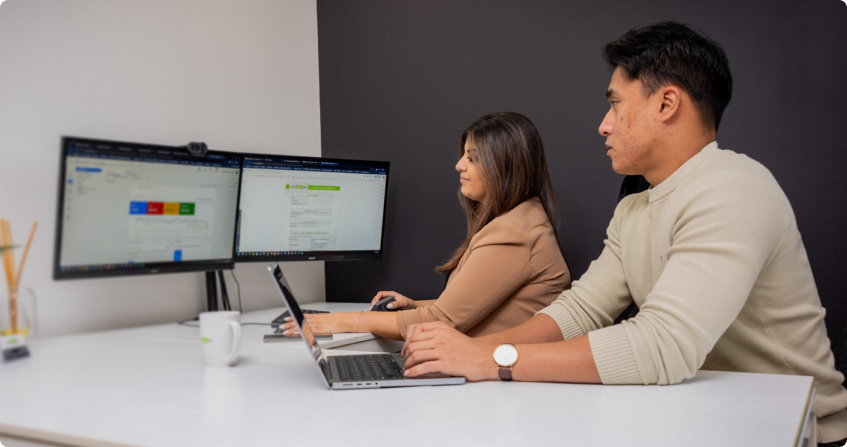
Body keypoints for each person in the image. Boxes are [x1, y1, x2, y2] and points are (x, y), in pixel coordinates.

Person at [401, 22, 847, 444]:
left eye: (614, 103)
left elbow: (661, 344)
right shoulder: (636, 206)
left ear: (666, 103)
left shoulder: (734, 188)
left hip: (797, 430)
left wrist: (488, 359)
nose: (604, 124)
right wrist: (468, 349)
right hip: (707, 413)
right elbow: (580, 309)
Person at [279, 112, 571, 341]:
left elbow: (442, 321)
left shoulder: (515, 233)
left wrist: (342, 321)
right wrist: (414, 305)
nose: (459, 165)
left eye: (472, 158)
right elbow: (470, 307)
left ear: (503, 166)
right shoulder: (519, 219)